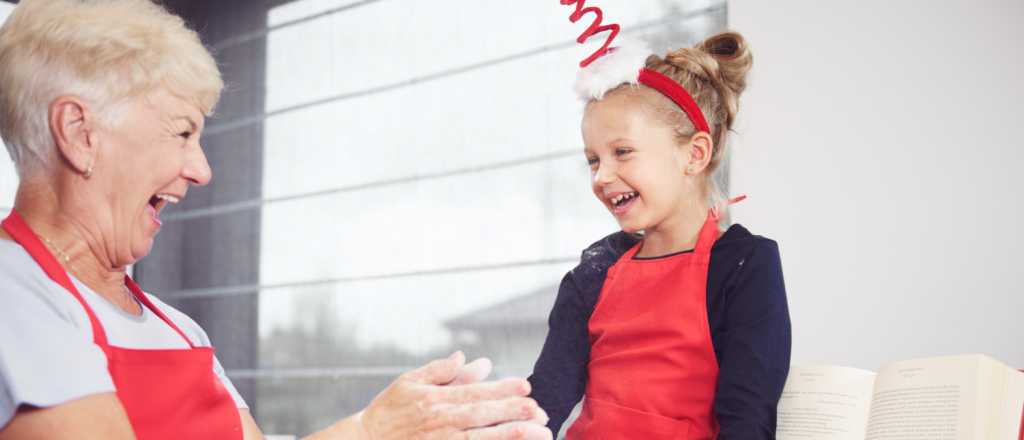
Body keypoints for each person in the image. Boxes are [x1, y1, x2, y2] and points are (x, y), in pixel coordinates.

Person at [0, 0, 550, 438]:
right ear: (79, 132)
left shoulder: (175, 329)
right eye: (183, 132)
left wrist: (374, 429)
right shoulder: (14, 293)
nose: (202, 169)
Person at [527, 30, 793, 438]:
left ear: (694, 154)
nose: (603, 176)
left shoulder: (743, 265)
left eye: (622, 152)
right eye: (592, 160)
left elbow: (747, 417)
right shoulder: (594, 272)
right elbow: (543, 405)